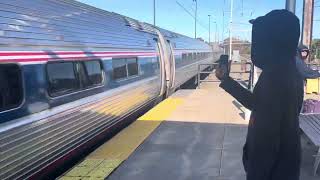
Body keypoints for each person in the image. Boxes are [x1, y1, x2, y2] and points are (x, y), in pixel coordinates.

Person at [216, 10, 302, 180]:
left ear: (272, 41)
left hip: (272, 172)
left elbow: (265, 145)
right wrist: (227, 81)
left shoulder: (275, 78)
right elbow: (259, 103)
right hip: (285, 167)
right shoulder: (287, 69)